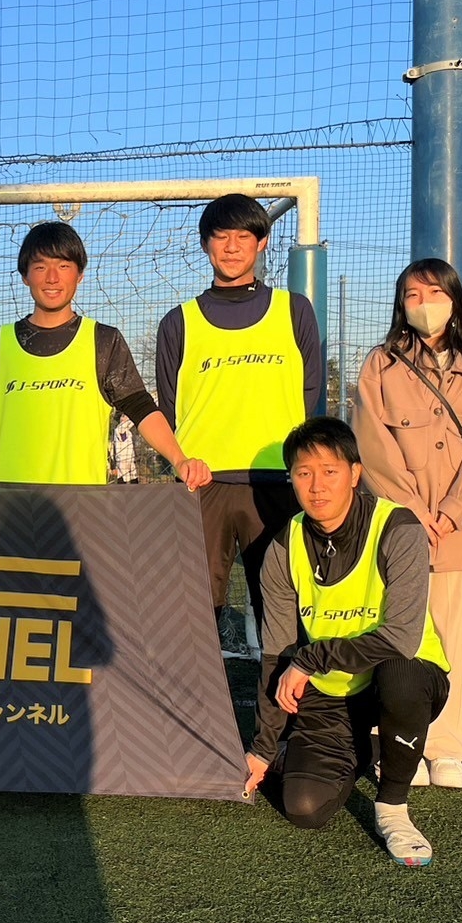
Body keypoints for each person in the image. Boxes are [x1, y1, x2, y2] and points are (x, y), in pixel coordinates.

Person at [245, 417, 450, 866]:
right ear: (291, 479)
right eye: (303, 473)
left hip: (406, 675)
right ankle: (370, 749)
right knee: (304, 807)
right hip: (334, 692)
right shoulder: (283, 548)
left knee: (401, 678)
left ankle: (392, 806)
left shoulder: (398, 527)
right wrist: (262, 749)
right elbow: (277, 654)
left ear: (355, 474)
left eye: (329, 471)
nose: (317, 485)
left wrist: (312, 657)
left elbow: (401, 638)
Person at [353, 258, 462, 789]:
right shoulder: (381, 365)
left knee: (448, 639)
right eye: (412, 295)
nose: (424, 305)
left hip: (456, 531)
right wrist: (409, 509)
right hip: (396, 526)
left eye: (434, 293)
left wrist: (451, 511)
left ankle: (445, 747)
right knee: (391, 635)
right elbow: (371, 442)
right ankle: (391, 744)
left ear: (455, 300)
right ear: (400, 305)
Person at [155, 194, 323, 653]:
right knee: (193, 612)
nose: (231, 247)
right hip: (201, 485)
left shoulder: (294, 311)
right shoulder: (178, 322)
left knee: (282, 609)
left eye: (243, 236)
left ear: (262, 242)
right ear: (205, 244)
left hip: (276, 483)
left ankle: (284, 699)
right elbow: (167, 410)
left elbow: (311, 396)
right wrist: (182, 462)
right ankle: (193, 699)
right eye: (221, 236)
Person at [0, 221, 210, 490]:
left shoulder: (102, 341)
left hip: (80, 505)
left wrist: (180, 460)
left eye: (63, 266)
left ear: (80, 274)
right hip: (7, 503)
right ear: (25, 276)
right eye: (40, 267)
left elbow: (141, 408)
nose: (52, 278)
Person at [109, 415, 139, 483]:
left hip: (130, 459)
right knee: (124, 480)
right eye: (123, 416)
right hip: (123, 460)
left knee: (133, 478)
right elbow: (130, 423)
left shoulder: (127, 431)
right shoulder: (120, 429)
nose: (125, 417)